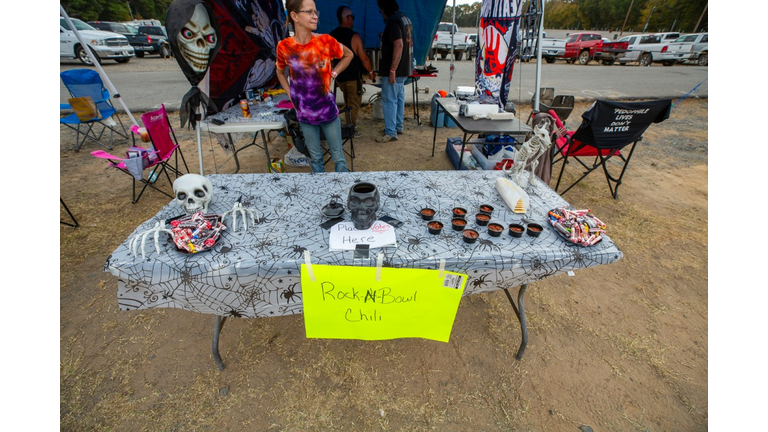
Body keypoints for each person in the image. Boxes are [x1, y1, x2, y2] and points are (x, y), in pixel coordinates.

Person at [276, 0, 353, 173]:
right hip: (304, 114)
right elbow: (280, 72)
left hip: (328, 112)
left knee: (339, 158)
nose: (315, 16)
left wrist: (334, 73)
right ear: (294, 16)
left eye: (315, 12)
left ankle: (343, 187)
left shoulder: (325, 41)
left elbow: (349, 55)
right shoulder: (284, 47)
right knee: (316, 159)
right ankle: (321, 189)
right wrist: (290, 93)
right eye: (309, 12)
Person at [329, 6, 376, 138]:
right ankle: (350, 129)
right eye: (352, 18)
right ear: (348, 18)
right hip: (353, 78)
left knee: (347, 101)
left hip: (340, 78)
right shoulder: (354, 37)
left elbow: (330, 59)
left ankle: (348, 125)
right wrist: (371, 71)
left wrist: (333, 74)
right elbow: (364, 58)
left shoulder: (331, 36)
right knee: (354, 104)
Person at [375, 0, 413, 143]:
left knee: (389, 99)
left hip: (396, 69)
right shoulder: (404, 18)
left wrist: (392, 69)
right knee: (399, 97)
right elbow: (401, 39)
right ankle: (397, 126)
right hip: (404, 68)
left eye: (380, 10)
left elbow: (399, 45)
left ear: (384, 9)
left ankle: (390, 132)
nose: (381, 13)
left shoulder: (392, 22)